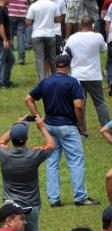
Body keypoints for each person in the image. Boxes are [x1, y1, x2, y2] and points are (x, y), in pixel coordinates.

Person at [26, 54, 100, 208]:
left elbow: (28, 99)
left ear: (56, 65)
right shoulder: (72, 82)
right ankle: (80, 196)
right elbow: (79, 106)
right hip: (67, 126)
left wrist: (38, 117)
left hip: (50, 126)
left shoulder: (46, 81)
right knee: (75, 161)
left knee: (52, 162)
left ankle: (54, 199)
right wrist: (81, 125)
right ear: (68, 65)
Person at [0, 119, 56, 231]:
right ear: (26, 139)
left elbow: (1, 141)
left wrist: (14, 126)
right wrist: (42, 127)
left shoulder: (4, 153)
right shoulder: (33, 155)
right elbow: (51, 145)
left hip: (10, 205)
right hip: (32, 204)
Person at [64, 17, 109, 136]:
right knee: (100, 103)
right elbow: (104, 49)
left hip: (77, 76)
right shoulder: (97, 37)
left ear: (80, 25)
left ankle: (82, 130)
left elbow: (65, 54)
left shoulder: (73, 38)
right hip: (94, 75)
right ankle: (106, 127)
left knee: (80, 104)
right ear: (92, 25)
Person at [26, 0, 60, 81]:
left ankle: (42, 80)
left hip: (37, 34)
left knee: (39, 58)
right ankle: (56, 77)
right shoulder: (53, 5)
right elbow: (58, 19)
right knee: (52, 58)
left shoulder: (33, 6)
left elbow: (28, 22)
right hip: (50, 34)